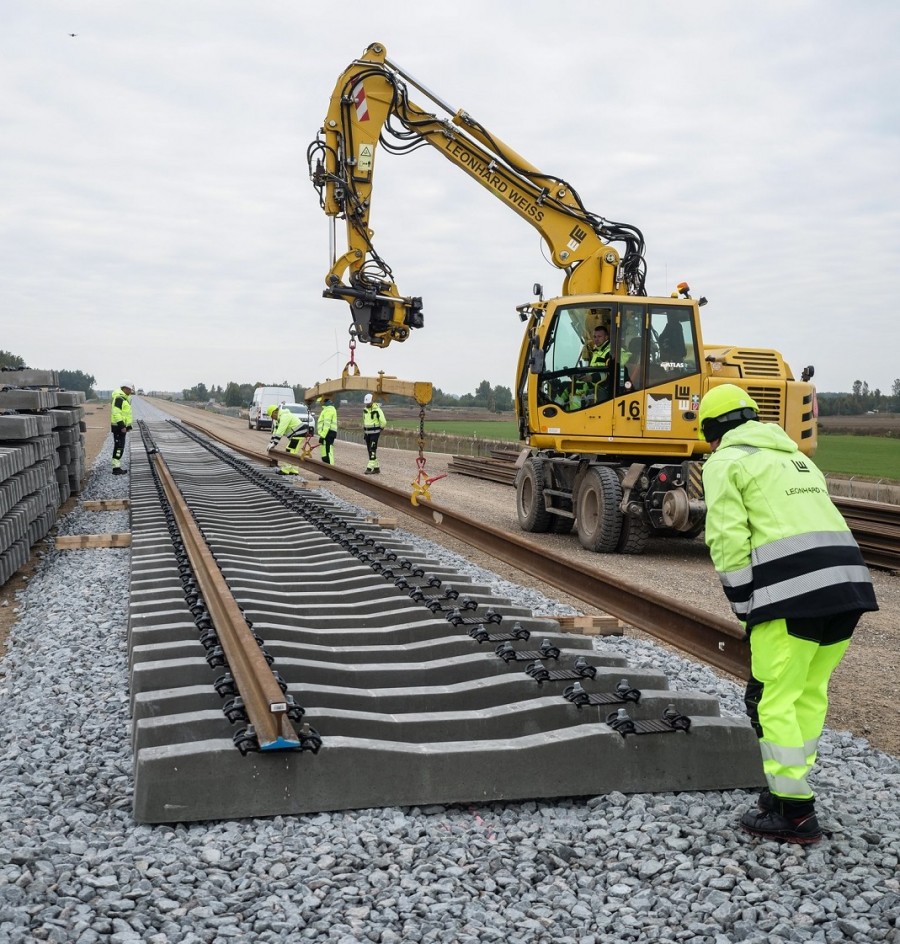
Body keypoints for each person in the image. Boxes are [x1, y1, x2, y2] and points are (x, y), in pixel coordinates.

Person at [699, 384, 878, 844]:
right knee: (806, 694)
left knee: (771, 698)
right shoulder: (797, 458)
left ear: (712, 430)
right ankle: (785, 789)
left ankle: (796, 815)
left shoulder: (726, 461)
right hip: (849, 587)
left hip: (794, 594)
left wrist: (745, 609)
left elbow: (728, 542)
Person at [265, 404, 310, 475]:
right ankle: (294, 470)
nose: (272, 418)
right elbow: (276, 432)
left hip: (298, 434)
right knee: (293, 452)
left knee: (289, 450)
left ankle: (285, 470)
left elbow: (280, 432)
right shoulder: (280, 418)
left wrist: (274, 444)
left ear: (274, 412)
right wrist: (271, 442)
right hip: (297, 434)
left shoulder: (284, 416)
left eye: (272, 416)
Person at [110, 383, 134, 475]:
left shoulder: (124, 399)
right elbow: (116, 413)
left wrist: (128, 426)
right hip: (118, 427)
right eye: (129, 389)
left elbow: (126, 414)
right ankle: (116, 468)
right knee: (119, 447)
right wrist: (122, 426)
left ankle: (117, 466)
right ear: (124, 388)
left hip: (121, 427)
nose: (131, 391)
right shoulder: (119, 399)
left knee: (120, 446)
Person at [362, 393, 386, 474]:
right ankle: (376, 468)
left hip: (375, 433)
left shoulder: (378, 410)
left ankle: (369, 468)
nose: (367, 404)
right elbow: (364, 421)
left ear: (372, 401)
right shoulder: (365, 410)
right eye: (366, 403)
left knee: (372, 449)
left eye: (368, 403)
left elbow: (383, 421)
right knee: (369, 450)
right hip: (367, 433)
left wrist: (380, 428)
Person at [315, 394, 338, 464]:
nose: (320, 404)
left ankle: (331, 470)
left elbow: (326, 424)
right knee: (324, 453)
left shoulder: (329, 410)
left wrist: (322, 436)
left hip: (328, 433)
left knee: (328, 451)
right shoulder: (326, 409)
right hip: (327, 433)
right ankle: (326, 469)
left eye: (320, 402)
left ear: (324, 401)